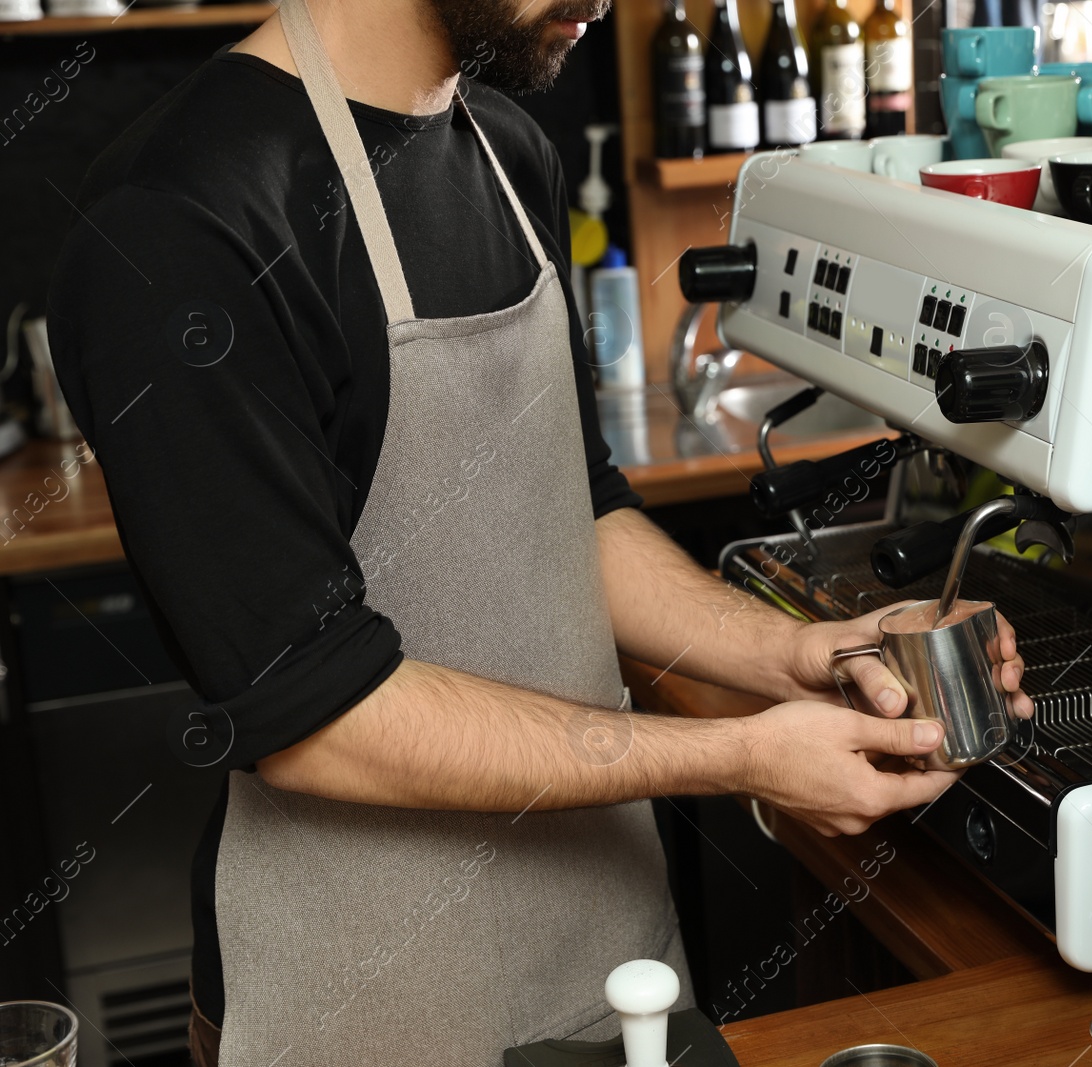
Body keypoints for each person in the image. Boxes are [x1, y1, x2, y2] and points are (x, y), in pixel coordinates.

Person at [45, 0, 1032, 1063]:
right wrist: (743, 752)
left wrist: (793, 650)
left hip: (607, 951)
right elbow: (314, 708)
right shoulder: (180, 216)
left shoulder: (508, 151)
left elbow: (580, 507)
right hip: (374, 990)